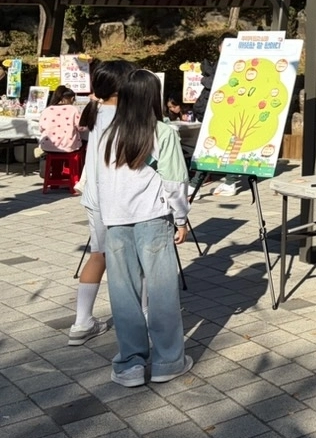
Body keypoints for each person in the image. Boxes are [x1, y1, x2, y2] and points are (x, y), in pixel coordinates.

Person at [85, 69, 193, 387]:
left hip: (115, 221)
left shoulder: (107, 133)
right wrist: (182, 219)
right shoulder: (163, 132)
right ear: (152, 96)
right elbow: (175, 182)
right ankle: (167, 361)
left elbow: (100, 179)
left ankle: (130, 364)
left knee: (123, 294)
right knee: (161, 294)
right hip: (153, 220)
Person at [69, 60, 136, 346]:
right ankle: (140, 321)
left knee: (99, 255)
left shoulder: (95, 111)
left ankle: (81, 322)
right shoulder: (130, 116)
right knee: (135, 261)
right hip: (124, 199)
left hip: (95, 197)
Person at [191, 31, 240, 196]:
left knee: (208, 146)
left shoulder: (227, 63)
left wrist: (204, 79)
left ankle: (194, 186)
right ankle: (230, 182)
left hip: (218, 112)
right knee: (228, 146)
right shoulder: (241, 62)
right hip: (229, 111)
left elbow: (217, 84)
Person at [37, 85, 84, 154]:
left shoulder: (46, 110)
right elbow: (81, 127)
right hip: (68, 147)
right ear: (72, 98)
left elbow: (41, 128)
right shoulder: (73, 109)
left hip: (47, 146)